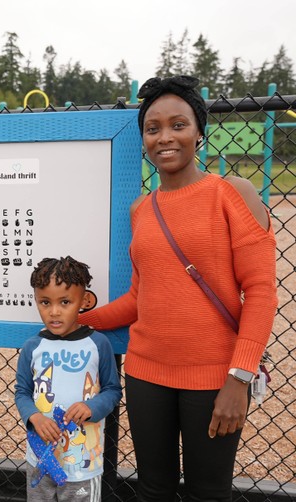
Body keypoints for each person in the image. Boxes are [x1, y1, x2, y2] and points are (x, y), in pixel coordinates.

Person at [79, 75, 277, 501]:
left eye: (178, 125)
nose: (165, 137)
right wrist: (78, 319)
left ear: (199, 133)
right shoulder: (141, 209)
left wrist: (238, 379)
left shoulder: (234, 194)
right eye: (153, 129)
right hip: (147, 374)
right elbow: (138, 297)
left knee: (209, 492)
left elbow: (261, 292)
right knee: (153, 489)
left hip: (214, 378)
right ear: (144, 140)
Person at [15, 256, 122, 501]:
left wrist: (91, 407)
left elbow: (113, 390)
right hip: (40, 457)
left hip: (83, 465)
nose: (54, 312)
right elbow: (22, 391)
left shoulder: (97, 344)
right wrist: (34, 417)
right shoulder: (33, 346)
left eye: (65, 302)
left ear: (84, 301)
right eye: (45, 302)